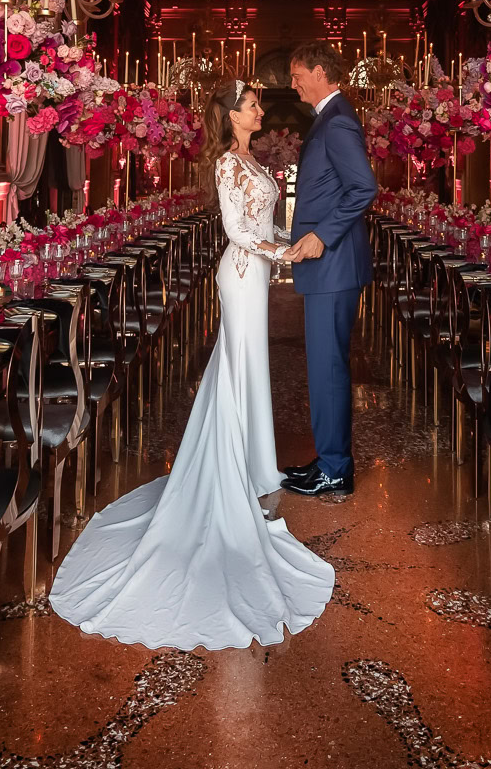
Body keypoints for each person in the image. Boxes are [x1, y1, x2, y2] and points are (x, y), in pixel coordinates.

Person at [48, 81, 334, 650]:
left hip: (256, 272)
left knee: (248, 369)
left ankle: (252, 467)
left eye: (257, 103)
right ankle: (235, 470)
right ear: (231, 117)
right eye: (251, 105)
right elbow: (238, 234)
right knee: (238, 366)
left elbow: (262, 226)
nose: (259, 109)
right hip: (242, 275)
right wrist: (286, 251)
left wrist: (295, 238)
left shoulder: (251, 160)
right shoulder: (228, 164)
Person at [281, 41, 379, 498]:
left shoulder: (337, 120)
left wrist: (322, 235)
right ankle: (328, 460)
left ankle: (336, 469)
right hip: (330, 268)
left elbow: (363, 187)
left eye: (298, 74)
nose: (293, 83)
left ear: (320, 72)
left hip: (334, 264)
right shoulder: (329, 117)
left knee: (329, 369)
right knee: (324, 367)